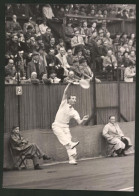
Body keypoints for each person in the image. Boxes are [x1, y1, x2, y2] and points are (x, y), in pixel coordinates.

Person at [52, 83, 89, 165]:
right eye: (72, 98)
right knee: (68, 142)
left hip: (65, 127)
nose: (74, 100)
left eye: (75, 99)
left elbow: (79, 122)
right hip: (57, 125)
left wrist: (83, 119)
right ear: (68, 100)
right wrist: (69, 83)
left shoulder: (74, 112)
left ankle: (72, 159)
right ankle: (70, 144)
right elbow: (65, 92)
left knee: (69, 145)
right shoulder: (63, 104)